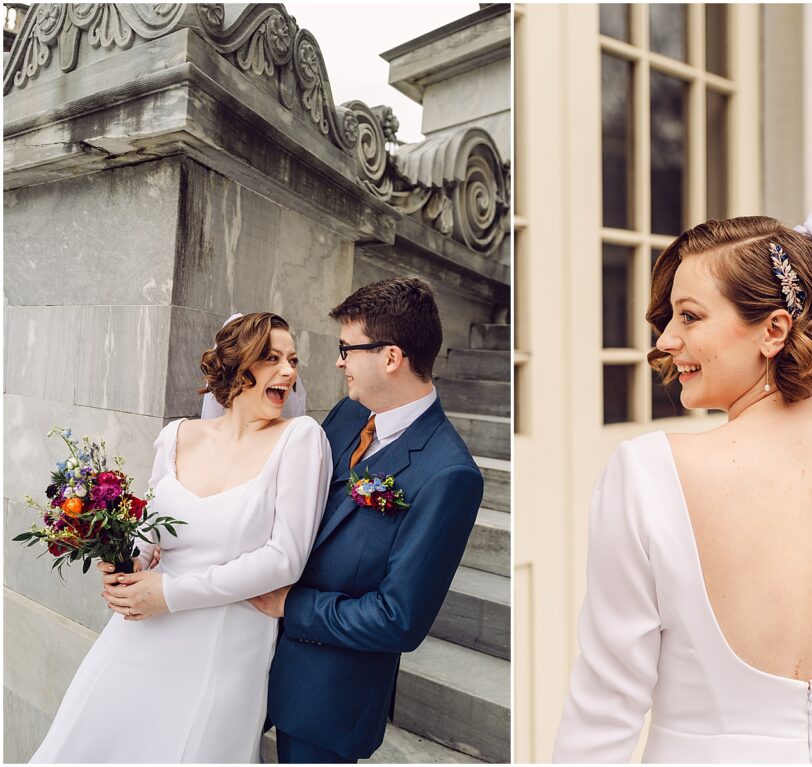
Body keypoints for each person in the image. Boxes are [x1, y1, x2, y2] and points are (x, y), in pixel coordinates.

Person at [553, 213, 812, 763]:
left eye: (689, 316)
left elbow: (606, 708)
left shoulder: (649, 474)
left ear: (773, 331)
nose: (666, 340)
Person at [31, 312, 332, 763]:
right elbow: (151, 537)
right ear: (236, 366)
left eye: (292, 360)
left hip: (224, 641)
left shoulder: (301, 439)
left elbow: (284, 560)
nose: (288, 372)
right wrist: (124, 563)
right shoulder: (176, 436)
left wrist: (170, 593)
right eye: (271, 358)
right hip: (140, 631)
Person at [247, 277, 484, 764]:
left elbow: (398, 620)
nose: (338, 362)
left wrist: (291, 605)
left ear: (390, 357)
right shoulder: (346, 415)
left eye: (346, 349)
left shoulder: (449, 475)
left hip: (325, 699)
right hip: (248, 660)